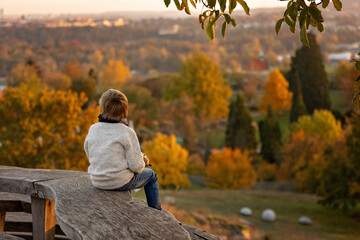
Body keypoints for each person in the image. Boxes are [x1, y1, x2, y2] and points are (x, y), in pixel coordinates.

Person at [84, 89, 162, 210]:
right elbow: (136, 166)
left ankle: (127, 207)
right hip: (117, 182)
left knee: (125, 173)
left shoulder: (93, 128)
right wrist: (143, 161)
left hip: (97, 180)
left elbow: (89, 152)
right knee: (151, 176)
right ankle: (157, 212)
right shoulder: (127, 132)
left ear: (102, 108)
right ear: (124, 111)